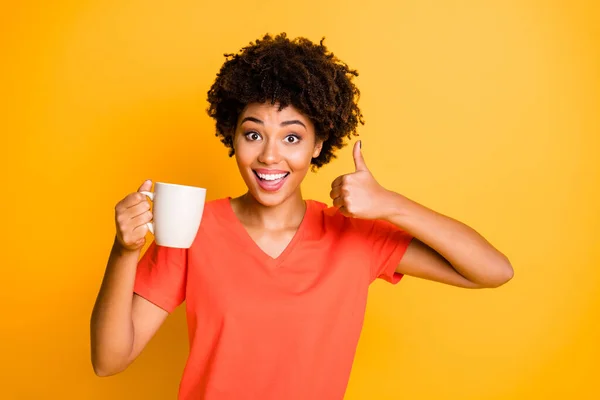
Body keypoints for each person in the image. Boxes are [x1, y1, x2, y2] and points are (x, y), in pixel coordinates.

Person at [90, 33, 514, 399]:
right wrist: (124, 250)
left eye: (292, 136)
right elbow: (109, 360)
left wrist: (390, 204)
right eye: (253, 134)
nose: (270, 155)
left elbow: (493, 270)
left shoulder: (355, 237)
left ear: (317, 144)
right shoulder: (191, 230)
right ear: (232, 137)